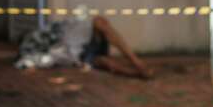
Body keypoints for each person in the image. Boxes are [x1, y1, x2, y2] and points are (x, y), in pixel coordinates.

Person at [15, 16, 153, 79]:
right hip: (78, 52)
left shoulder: (43, 34)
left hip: (79, 48)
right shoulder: (33, 44)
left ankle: (137, 66)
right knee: (102, 60)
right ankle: (137, 69)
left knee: (100, 26)